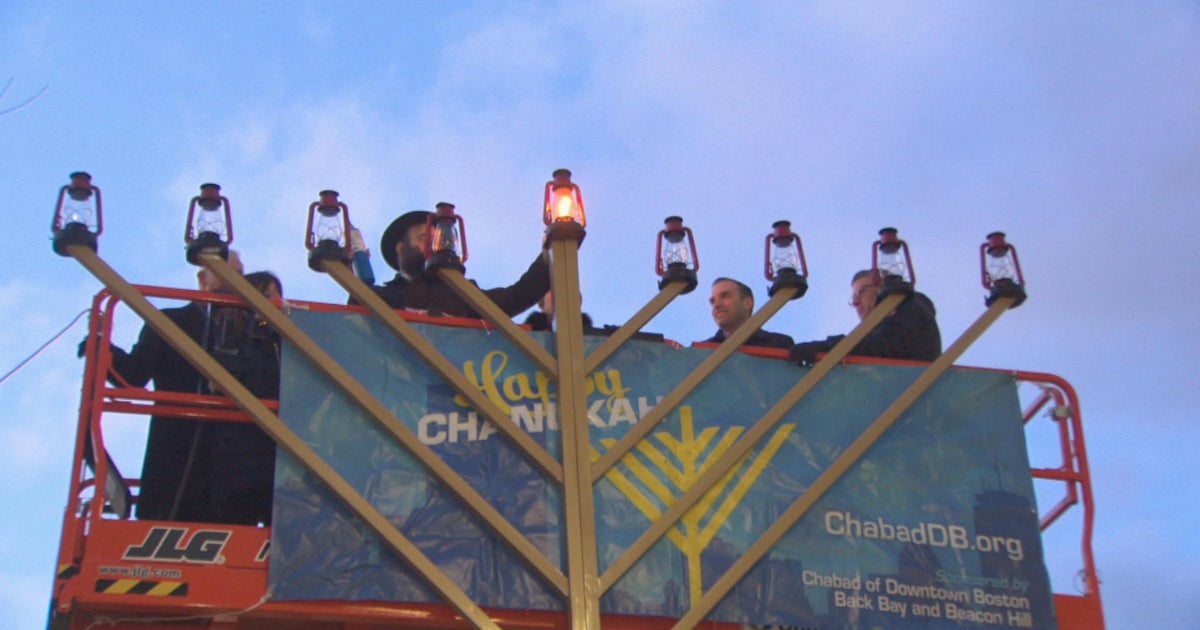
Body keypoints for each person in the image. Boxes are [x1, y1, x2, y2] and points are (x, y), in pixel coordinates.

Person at [105, 252, 245, 522]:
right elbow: (133, 375)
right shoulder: (170, 321)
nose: (236, 283)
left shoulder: (249, 332)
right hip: (174, 454)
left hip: (227, 465)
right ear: (203, 277)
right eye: (228, 274)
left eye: (240, 276)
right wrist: (103, 348)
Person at [364, 210, 550, 318]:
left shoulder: (463, 294)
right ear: (401, 248)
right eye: (423, 238)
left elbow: (518, 296)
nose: (432, 245)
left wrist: (552, 251)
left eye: (436, 239)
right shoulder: (382, 297)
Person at [205, 270, 282, 526]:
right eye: (265, 293)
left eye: (276, 294)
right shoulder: (231, 336)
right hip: (237, 456)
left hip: (279, 458)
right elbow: (219, 381)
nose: (272, 300)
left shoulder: (284, 342)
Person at [789, 270, 942, 365]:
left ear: (882, 288)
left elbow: (883, 346)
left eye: (861, 292)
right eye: (853, 298)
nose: (855, 302)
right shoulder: (883, 327)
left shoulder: (908, 305)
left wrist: (827, 348)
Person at [702, 277, 794, 349]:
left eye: (725, 296)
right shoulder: (701, 351)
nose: (716, 305)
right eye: (712, 301)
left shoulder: (779, 344)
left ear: (747, 303)